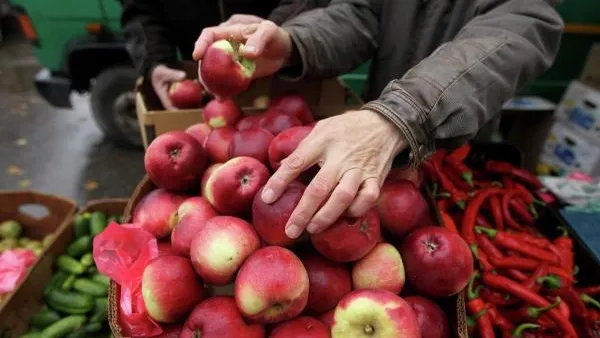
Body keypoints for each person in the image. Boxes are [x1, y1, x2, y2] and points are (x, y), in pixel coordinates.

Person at [192, 0, 563, 239]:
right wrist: (295, 43)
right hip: (362, 148)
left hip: (448, 148)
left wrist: (400, 115)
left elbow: (518, 30)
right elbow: (363, 13)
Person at [120, 0, 326, 109]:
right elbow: (139, 6)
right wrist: (155, 57)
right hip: (199, 68)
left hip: (287, 70)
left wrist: (276, 31)